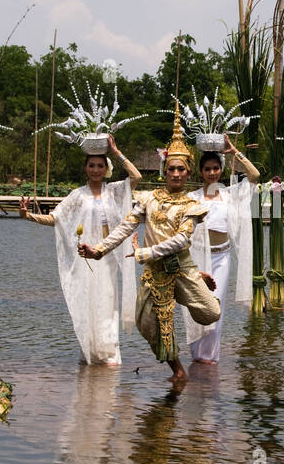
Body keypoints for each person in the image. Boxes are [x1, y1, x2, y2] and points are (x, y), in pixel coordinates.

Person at [79, 112, 220, 383]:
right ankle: (177, 369)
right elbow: (125, 226)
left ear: (188, 172)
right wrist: (99, 250)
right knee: (147, 325)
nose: (176, 174)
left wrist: (144, 253)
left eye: (181, 169)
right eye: (171, 169)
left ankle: (192, 285)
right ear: (164, 171)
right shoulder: (148, 199)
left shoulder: (192, 205)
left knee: (211, 312)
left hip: (180, 266)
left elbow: (181, 239)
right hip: (155, 273)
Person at [19, 135, 140, 365]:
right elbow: (56, 218)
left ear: (107, 169)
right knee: (88, 303)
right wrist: (29, 216)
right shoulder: (77, 195)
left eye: (100, 166)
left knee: (107, 302)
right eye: (91, 165)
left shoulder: (114, 191)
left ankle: (108, 353)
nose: (95, 170)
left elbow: (136, 176)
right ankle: (90, 351)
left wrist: (116, 151)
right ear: (85, 168)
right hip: (85, 257)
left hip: (106, 256)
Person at [183, 135, 261, 364]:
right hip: (196, 259)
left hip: (222, 258)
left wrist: (234, 151)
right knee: (196, 306)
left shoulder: (230, 194)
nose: (212, 173)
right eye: (207, 169)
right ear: (201, 171)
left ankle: (210, 357)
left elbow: (255, 176)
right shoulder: (191, 198)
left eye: (216, 168)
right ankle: (197, 355)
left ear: (221, 169)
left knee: (215, 307)